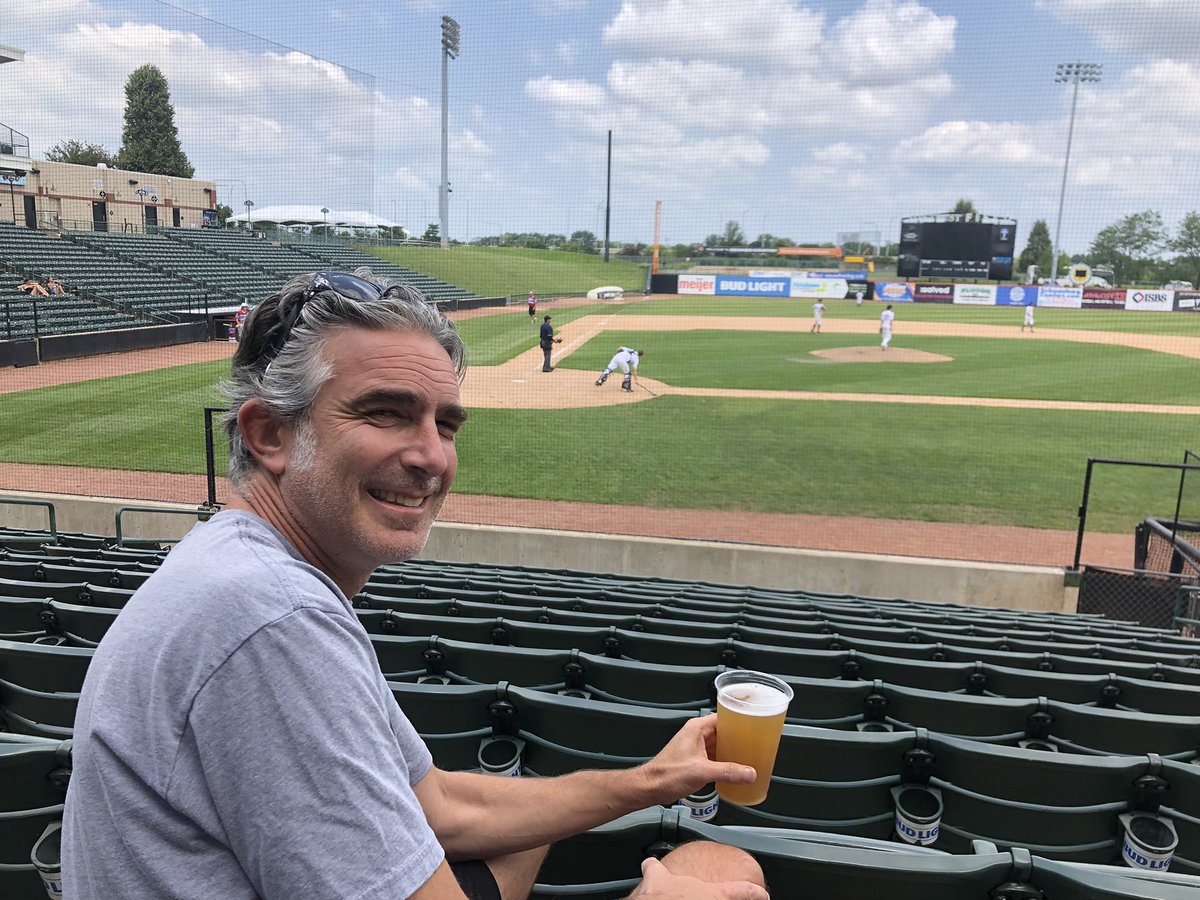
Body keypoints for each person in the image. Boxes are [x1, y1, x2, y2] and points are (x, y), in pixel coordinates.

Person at [61, 269, 768, 900]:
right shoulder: (270, 618)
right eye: (386, 413)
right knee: (718, 871)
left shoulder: (239, 569)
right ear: (268, 436)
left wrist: (653, 780)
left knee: (536, 828)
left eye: (446, 424)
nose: (432, 456)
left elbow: (441, 808)